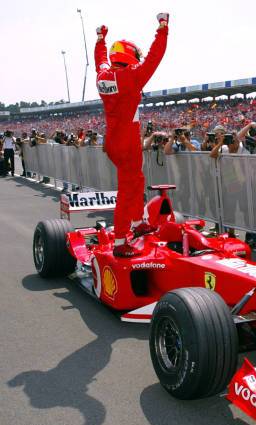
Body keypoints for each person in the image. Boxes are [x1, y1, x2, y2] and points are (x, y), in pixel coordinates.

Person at [95, 13, 169, 257]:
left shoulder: (102, 75)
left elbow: (100, 60)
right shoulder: (132, 76)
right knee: (127, 191)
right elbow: (155, 57)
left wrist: (100, 39)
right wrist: (163, 28)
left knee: (136, 182)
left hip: (114, 140)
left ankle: (138, 224)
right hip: (127, 142)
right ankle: (119, 242)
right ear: (130, 57)